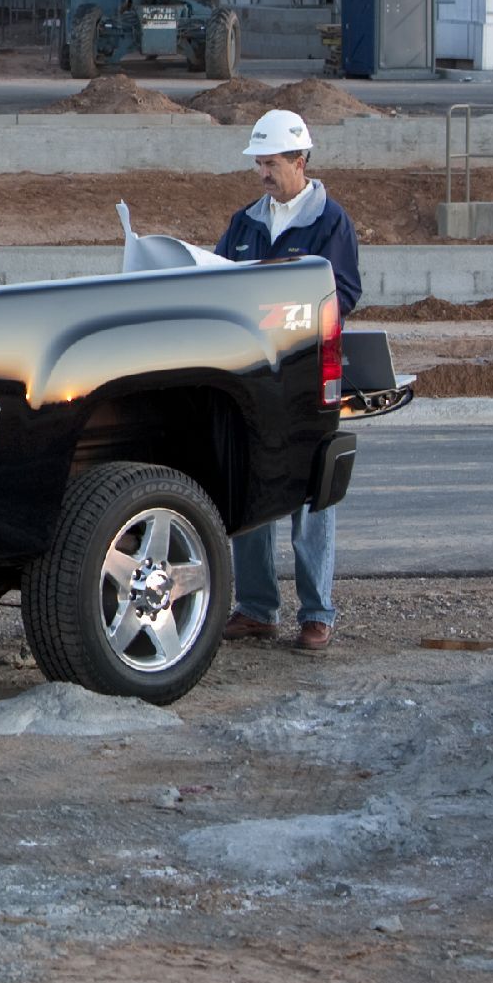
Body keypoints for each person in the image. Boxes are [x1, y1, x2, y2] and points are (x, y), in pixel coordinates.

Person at [214, 109, 360, 652]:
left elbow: (341, 294)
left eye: (272, 163)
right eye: (259, 163)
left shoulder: (331, 222)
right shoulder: (246, 222)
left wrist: (281, 317)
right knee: (248, 486)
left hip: (306, 374)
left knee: (311, 495)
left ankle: (316, 613)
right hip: (252, 378)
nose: (263, 173)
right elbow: (222, 284)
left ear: (300, 161)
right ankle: (256, 608)